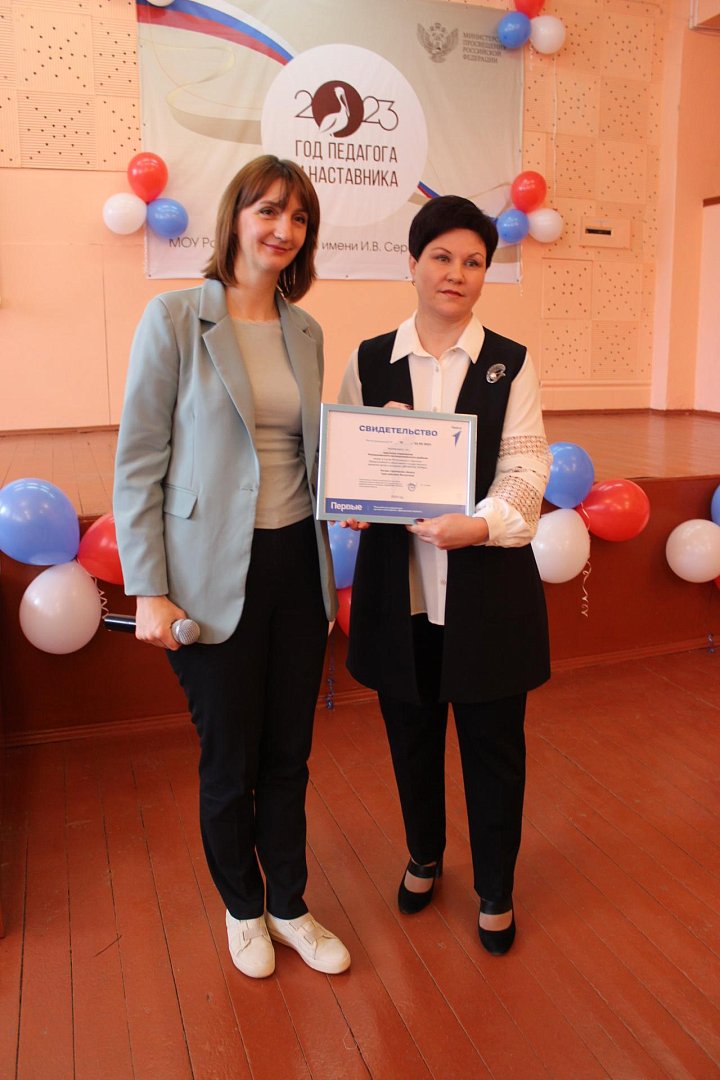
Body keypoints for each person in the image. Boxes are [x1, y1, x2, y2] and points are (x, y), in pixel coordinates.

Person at [114, 155, 350, 979]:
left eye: (300, 218)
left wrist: (373, 454)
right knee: (229, 759)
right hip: (208, 573)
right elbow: (138, 463)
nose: (284, 230)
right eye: (269, 211)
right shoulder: (175, 317)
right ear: (236, 217)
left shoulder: (307, 331)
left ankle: (289, 903)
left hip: (296, 566)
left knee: (289, 753)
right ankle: (243, 908)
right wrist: (148, 589)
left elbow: (311, 452)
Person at [338, 195, 550, 955]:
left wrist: (479, 526)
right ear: (413, 263)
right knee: (411, 738)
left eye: (473, 261)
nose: (456, 273)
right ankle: (424, 855)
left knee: (495, 748)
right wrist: (355, 501)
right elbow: (348, 465)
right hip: (402, 595)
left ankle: (495, 887)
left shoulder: (510, 362)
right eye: (441, 257)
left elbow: (526, 469)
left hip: (486, 594)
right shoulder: (369, 359)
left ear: (485, 272)